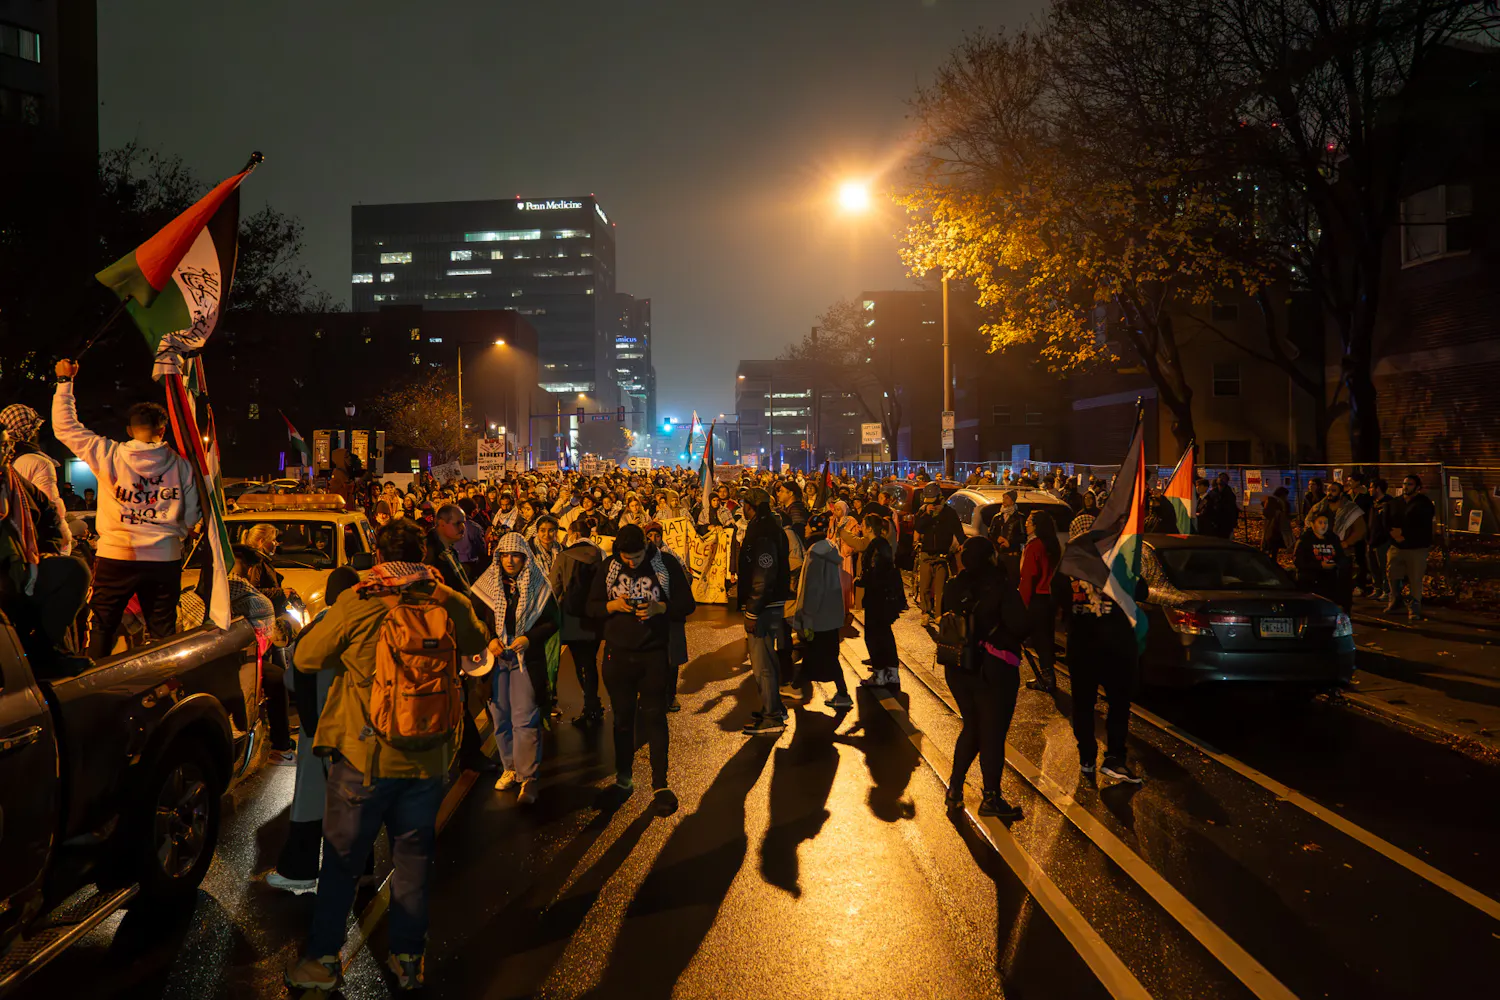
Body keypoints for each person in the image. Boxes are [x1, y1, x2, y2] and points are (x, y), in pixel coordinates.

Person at [285, 521, 487, 992]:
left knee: (341, 862)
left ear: (378, 553)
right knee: (414, 857)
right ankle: (408, 960)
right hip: (430, 757)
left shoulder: (359, 601)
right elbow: (476, 645)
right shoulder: (445, 599)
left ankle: (321, 962)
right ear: (423, 552)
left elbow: (306, 657)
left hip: (364, 755)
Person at [52, 357, 199, 658]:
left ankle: (95, 688)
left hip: (116, 555)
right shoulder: (182, 466)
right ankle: (165, 689)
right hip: (165, 557)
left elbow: (65, 428)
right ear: (164, 429)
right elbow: (194, 515)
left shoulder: (108, 454)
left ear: (130, 431)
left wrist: (65, 383)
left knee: (104, 625)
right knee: (163, 632)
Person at [586, 523, 695, 813]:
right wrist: (612, 606)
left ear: (646, 547)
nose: (631, 563)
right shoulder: (609, 566)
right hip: (617, 656)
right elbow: (590, 606)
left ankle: (660, 783)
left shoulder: (664, 562)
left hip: (653, 655)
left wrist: (662, 608)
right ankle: (623, 779)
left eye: (636, 557)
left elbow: (687, 603)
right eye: (626, 557)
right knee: (622, 720)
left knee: (655, 717)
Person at [267, 565, 361, 894]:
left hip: (317, 727)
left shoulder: (319, 626)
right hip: (355, 726)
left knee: (310, 804)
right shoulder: (366, 622)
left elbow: (293, 677)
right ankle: (361, 873)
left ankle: (300, 871)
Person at [941, 537, 1027, 819]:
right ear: (991, 557)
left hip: (958, 666)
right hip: (993, 670)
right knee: (992, 733)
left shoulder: (955, 585)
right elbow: (1020, 626)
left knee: (973, 727)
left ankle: (955, 789)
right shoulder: (1001, 586)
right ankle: (991, 797)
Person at [472, 533, 558, 803]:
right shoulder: (485, 585)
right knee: (500, 718)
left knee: (525, 718)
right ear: (498, 556)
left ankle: (528, 777)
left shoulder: (538, 585)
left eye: (516, 555)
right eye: (505, 555)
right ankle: (510, 768)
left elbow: (552, 621)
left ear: (525, 557)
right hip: (494, 661)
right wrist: (489, 639)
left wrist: (528, 638)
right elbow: (472, 620)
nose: (510, 560)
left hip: (525, 660)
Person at [1061, 517, 1142, 784]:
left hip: (1082, 647)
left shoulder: (1067, 567)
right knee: (1118, 703)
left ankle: (1086, 756)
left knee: (1083, 704)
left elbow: (1055, 601)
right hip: (1117, 646)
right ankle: (1115, 757)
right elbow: (1141, 590)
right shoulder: (1117, 563)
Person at [0, 430, 87, 673]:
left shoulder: (13, 479)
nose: (5, 453)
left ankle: (45, 653)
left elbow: (47, 509)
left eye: (5, 446)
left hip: (25, 570)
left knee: (73, 571)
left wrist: (47, 549)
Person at [736, 489, 793, 733]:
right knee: (768, 659)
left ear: (751, 506)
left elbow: (764, 573)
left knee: (762, 664)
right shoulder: (769, 526)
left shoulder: (763, 531)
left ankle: (772, 717)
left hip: (764, 606)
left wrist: (752, 609)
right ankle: (775, 708)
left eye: (744, 505)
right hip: (770, 603)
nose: (742, 509)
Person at [787, 512, 852, 710]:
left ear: (813, 529)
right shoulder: (829, 549)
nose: (805, 530)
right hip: (831, 614)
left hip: (819, 616)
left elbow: (812, 588)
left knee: (818, 654)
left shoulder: (815, 553)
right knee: (825, 655)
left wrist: (806, 616)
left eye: (807, 527)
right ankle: (840, 693)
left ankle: (799, 687)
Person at [550, 515, 604, 726]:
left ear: (573, 534)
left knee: (580, 664)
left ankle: (591, 706)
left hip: (572, 619)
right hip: (595, 618)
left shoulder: (564, 556)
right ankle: (594, 704)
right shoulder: (600, 555)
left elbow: (555, 588)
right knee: (590, 662)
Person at [0, 404, 72, 554]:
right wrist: (63, 540)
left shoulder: (9, 465)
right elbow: (50, 505)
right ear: (30, 432)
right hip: (34, 542)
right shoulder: (39, 463)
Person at [858, 513, 906, 689]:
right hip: (884, 597)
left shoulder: (876, 546)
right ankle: (892, 673)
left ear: (870, 528)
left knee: (874, 635)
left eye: (863, 525)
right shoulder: (883, 544)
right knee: (885, 634)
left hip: (876, 597)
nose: (860, 528)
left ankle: (879, 674)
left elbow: (875, 572)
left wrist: (862, 581)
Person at [1017, 510, 1060, 692]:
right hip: (1049, 597)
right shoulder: (1052, 544)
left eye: (1028, 521)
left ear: (1036, 525)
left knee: (1040, 640)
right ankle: (1048, 676)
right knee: (1046, 638)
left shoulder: (1034, 546)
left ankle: (1047, 679)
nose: (1026, 524)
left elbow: (1028, 576)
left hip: (1037, 597)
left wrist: (1022, 603)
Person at [1385, 474, 1434, 620]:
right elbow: (1385, 519)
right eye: (1405, 483)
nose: (1406, 487)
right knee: (1392, 573)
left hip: (1416, 547)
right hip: (1396, 546)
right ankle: (1395, 599)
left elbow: (1422, 524)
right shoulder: (1395, 503)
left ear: (1417, 487)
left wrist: (1404, 533)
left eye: (1410, 484)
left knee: (1415, 577)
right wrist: (1393, 534)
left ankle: (1414, 606)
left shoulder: (1424, 504)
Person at [913, 482, 962, 621]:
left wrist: (963, 545)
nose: (932, 505)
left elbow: (959, 532)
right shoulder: (924, 512)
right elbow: (919, 528)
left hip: (943, 555)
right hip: (926, 553)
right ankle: (925, 612)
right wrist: (928, 515)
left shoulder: (949, 513)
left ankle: (939, 614)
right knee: (925, 586)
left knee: (940, 588)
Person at [1294, 511, 1346, 608]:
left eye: (1325, 523)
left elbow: (1341, 556)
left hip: (1330, 582)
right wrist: (1319, 565)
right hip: (1311, 582)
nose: (1323, 526)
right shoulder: (1305, 540)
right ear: (1313, 524)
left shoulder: (1333, 538)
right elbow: (1299, 561)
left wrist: (1336, 564)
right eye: (1320, 522)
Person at [425, 504, 472, 598]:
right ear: (442, 523)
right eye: (457, 523)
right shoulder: (429, 554)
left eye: (463, 523)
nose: (463, 528)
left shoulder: (450, 551)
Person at [1367, 479, 1393, 603]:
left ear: (1377, 488)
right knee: (1373, 567)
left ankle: (1386, 591)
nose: (1369, 490)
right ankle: (1377, 588)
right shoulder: (1373, 503)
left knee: (1384, 567)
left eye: (1371, 487)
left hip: (1382, 541)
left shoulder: (1387, 503)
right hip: (1372, 540)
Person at [1261, 487, 1293, 560]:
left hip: (1273, 527)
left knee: (1272, 545)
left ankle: (1270, 559)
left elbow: (1266, 512)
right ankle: (1271, 560)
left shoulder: (1272, 501)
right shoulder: (1279, 502)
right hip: (1276, 527)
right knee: (1273, 545)